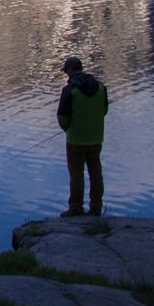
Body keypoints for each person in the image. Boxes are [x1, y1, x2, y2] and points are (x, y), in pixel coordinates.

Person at [55, 56, 109, 217]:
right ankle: (96, 207)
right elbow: (104, 111)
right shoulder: (100, 87)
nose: (66, 75)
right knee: (95, 172)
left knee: (77, 173)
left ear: (71, 70)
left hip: (75, 140)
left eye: (66, 71)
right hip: (96, 138)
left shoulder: (69, 90)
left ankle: (76, 207)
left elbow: (62, 118)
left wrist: (69, 129)